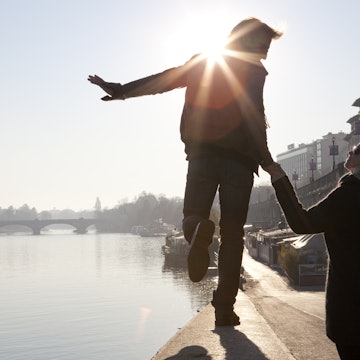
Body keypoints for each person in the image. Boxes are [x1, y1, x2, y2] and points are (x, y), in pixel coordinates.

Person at [88, 17, 282, 326]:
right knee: (233, 237)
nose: (267, 52)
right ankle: (224, 309)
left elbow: (164, 81)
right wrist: (267, 160)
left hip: (204, 155)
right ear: (248, 41)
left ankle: (197, 232)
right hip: (241, 163)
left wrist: (122, 90)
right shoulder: (255, 72)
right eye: (264, 45)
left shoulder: (205, 61)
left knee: (192, 215)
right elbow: (254, 115)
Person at [266, 143, 360, 359]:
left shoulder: (346, 196)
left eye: (355, 150)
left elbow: (302, 223)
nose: (349, 152)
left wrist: (280, 179)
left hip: (350, 310)